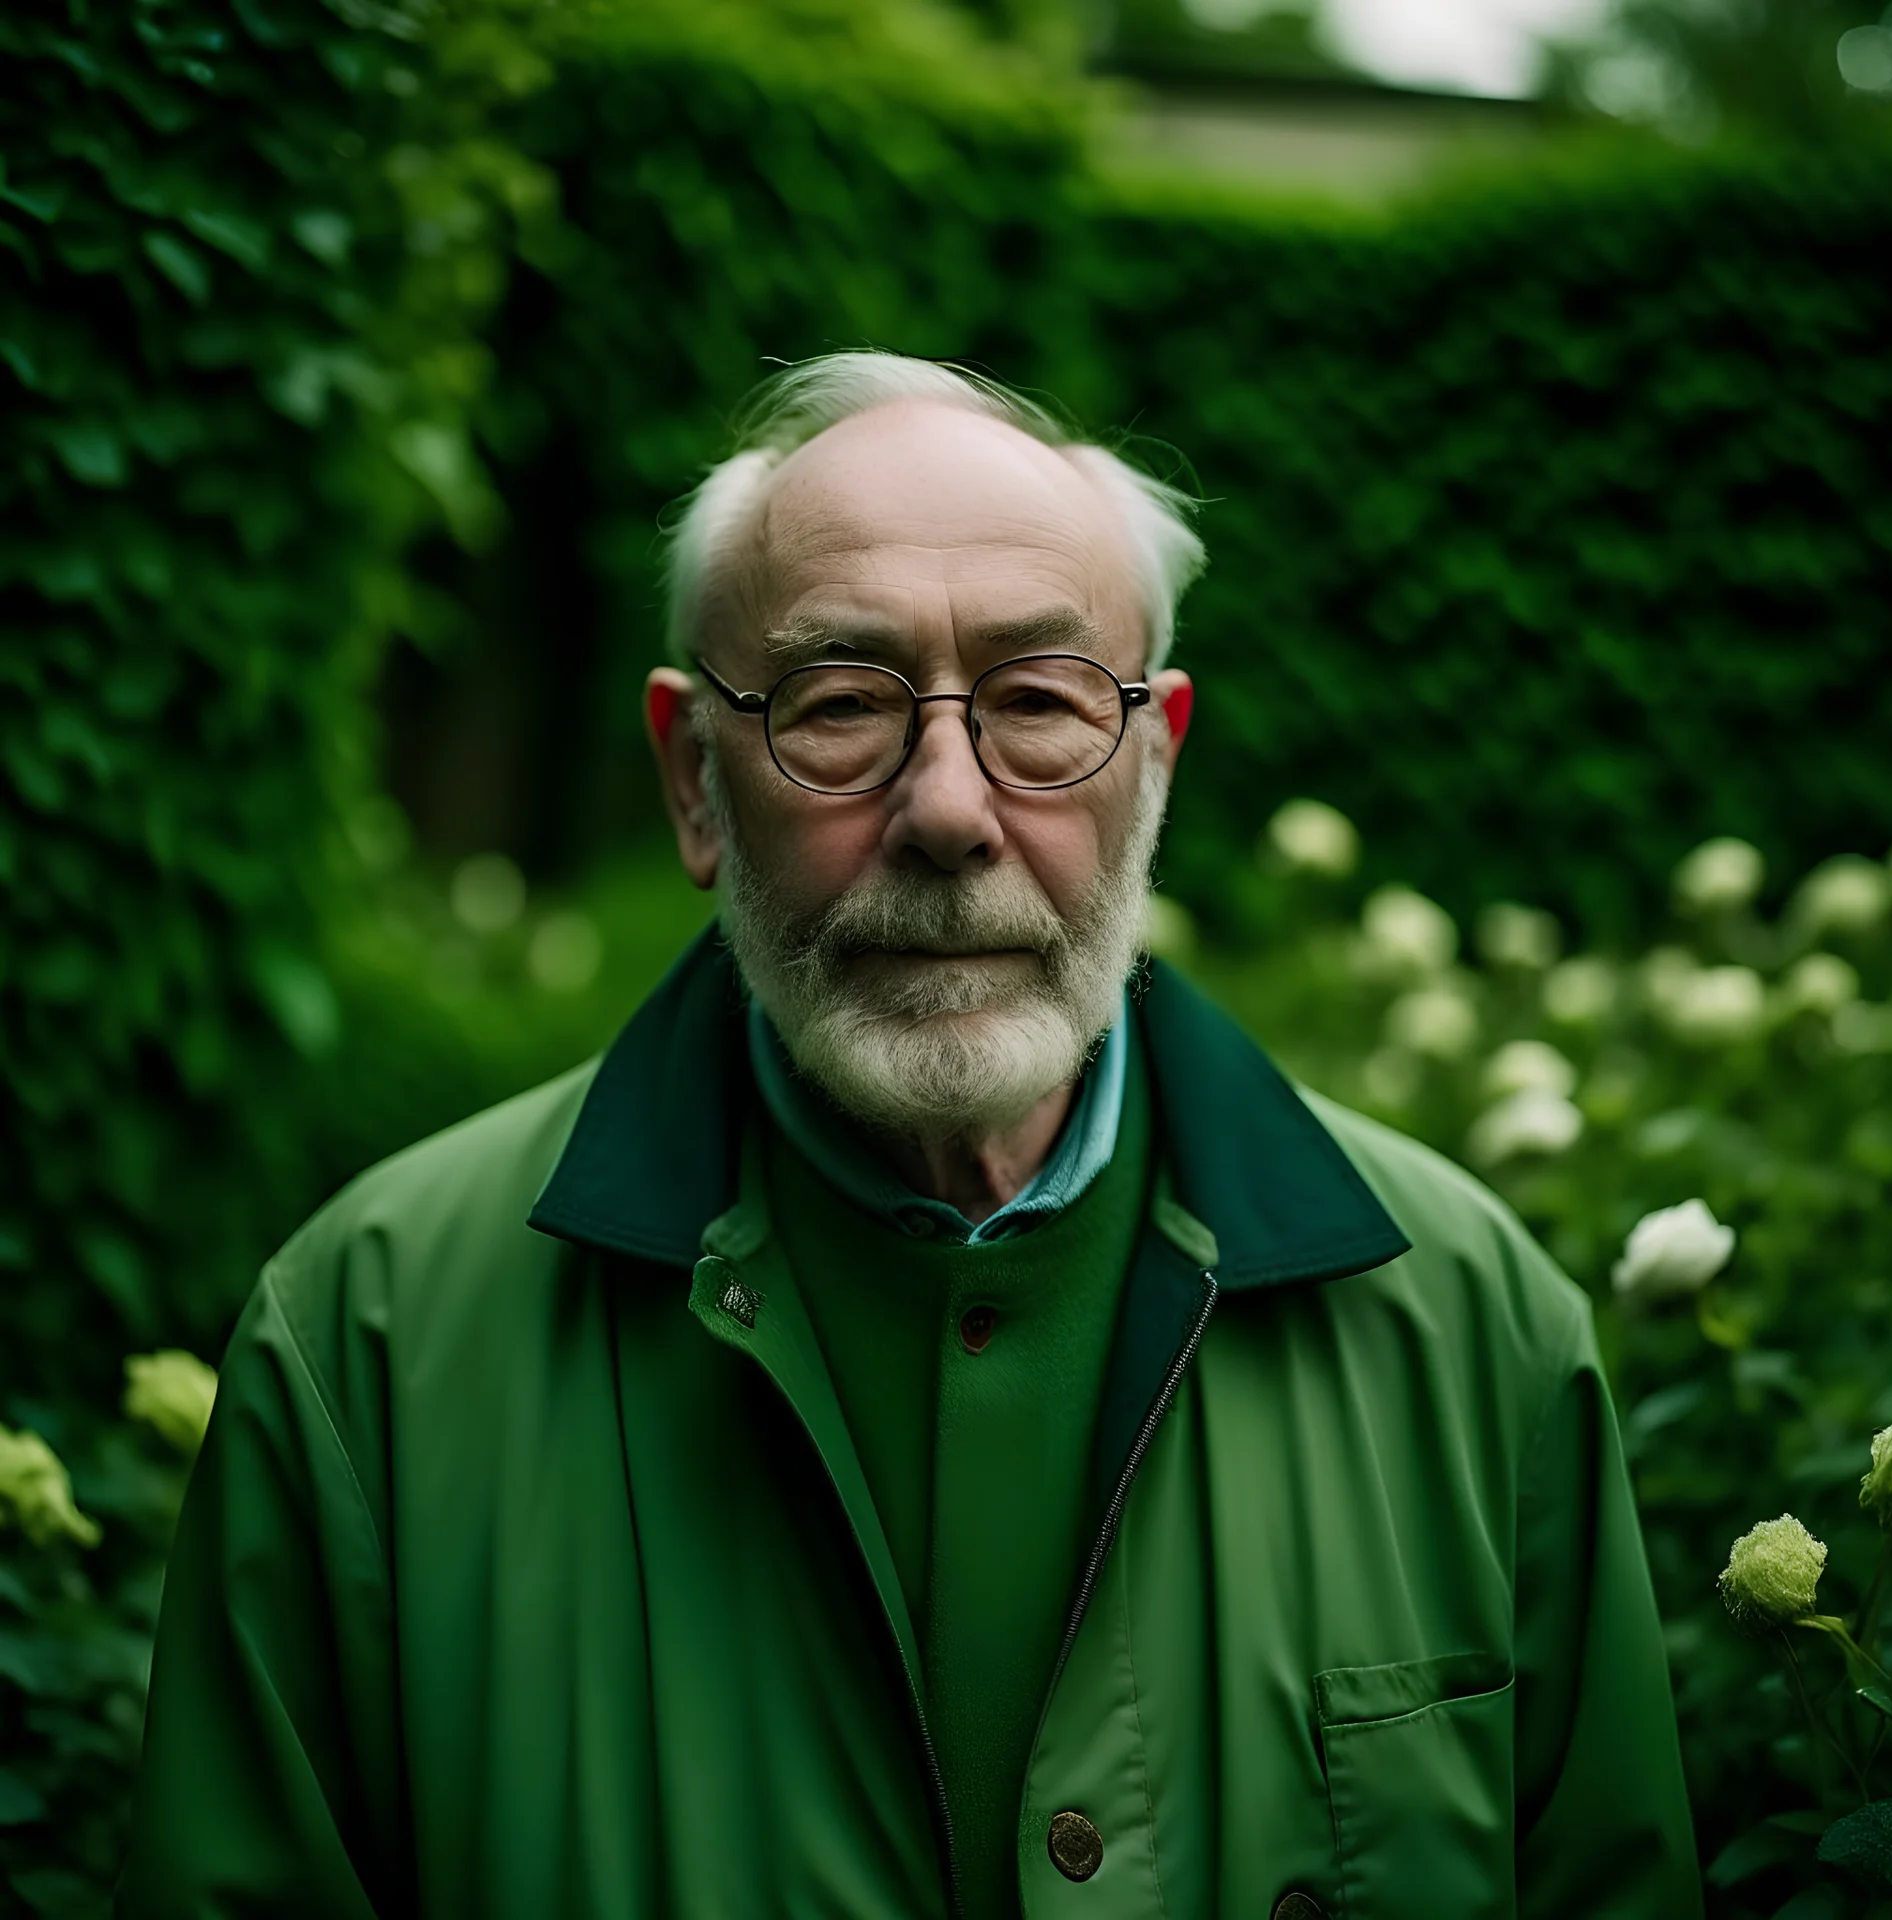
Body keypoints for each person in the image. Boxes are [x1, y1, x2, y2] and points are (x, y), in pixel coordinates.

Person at [119, 352, 1701, 1919]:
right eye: (840, 706)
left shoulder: (1474, 1328)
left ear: (1157, 760)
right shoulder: (368, 1345)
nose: (949, 807)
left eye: (1039, 703)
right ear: (692, 781)